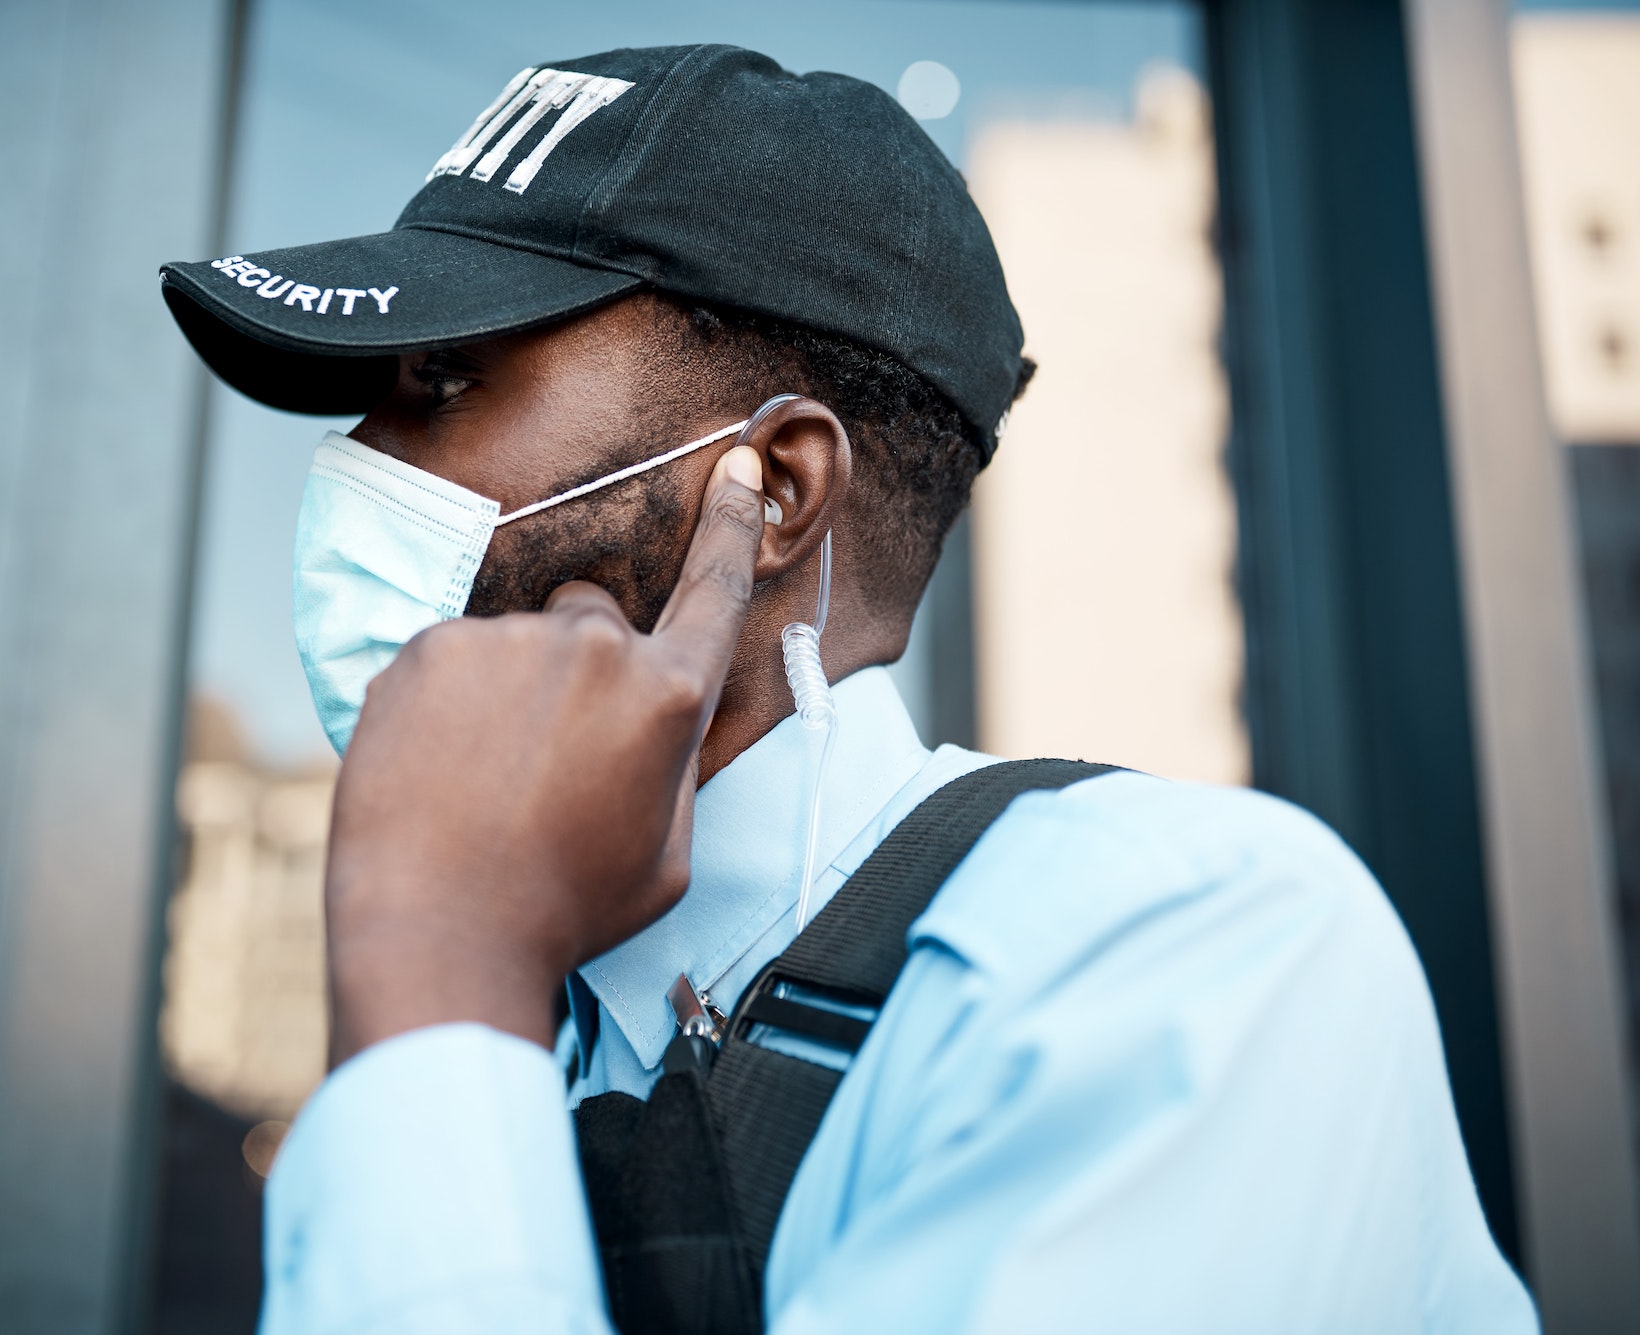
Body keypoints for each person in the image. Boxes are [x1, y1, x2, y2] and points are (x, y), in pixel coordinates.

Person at [160, 43, 1533, 1335]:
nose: (356, 462)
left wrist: (436, 964)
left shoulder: (1176, 954)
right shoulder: (526, 1031)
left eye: (445, 380)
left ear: (778, 493)